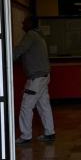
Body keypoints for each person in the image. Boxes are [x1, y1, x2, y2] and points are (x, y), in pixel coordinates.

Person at [13, 16, 55, 144]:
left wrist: (6, 58)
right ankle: (49, 133)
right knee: (44, 106)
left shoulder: (30, 35)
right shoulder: (39, 36)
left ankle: (25, 136)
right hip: (44, 76)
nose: (22, 25)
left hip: (36, 78)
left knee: (26, 106)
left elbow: (20, 50)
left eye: (24, 23)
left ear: (30, 24)